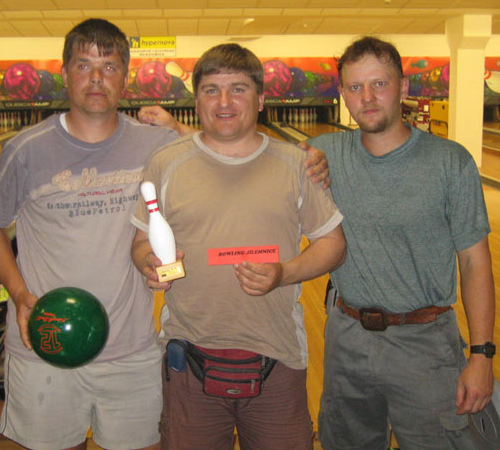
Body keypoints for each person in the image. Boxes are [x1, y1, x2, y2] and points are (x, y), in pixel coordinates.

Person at [0, 19, 328, 450]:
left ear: (126, 77)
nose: (96, 78)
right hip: (49, 341)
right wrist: (19, 294)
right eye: (83, 65)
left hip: (132, 348)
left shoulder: (155, 146)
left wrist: (300, 156)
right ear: (64, 74)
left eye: (109, 66)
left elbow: (219, 144)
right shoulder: (26, 149)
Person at [131, 43, 347, 450]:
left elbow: (333, 244)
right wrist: (148, 262)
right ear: (196, 101)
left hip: (277, 358)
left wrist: (284, 273)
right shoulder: (165, 163)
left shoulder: (296, 163)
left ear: (261, 99)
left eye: (238, 89)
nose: (224, 102)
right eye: (211, 90)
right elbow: (141, 241)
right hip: (188, 358)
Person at [307, 36, 495, 450]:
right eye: (355, 87)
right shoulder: (324, 153)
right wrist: (179, 130)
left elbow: (474, 262)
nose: (367, 98)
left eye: (380, 84)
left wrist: (482, 354)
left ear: (404, 87)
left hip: (425, 344)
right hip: (347, 339)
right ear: (342, 94)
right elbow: (254, 158)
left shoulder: (450, 161)